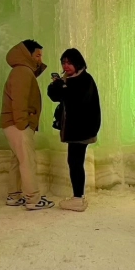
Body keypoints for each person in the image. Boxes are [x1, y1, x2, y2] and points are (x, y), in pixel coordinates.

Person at [0, 40, 54, 210]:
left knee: (18, 160)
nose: (40, 59)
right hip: (18, 124)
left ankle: (14, 195)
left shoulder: (21, 71)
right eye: (37, 55)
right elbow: (19, 100)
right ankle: (33, 199)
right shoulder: (23, 72)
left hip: (13, 123)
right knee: (27, 161)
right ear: (27, 54)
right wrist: (24, 124)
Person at [47, 48, 101, 212]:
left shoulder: (84, 79)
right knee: (75, 162)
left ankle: (78, 198)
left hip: (81, 130)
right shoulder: (70, 79)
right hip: (77, 130)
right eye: (64, 62)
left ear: (78, 63)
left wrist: (62, 86)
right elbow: (55, 96)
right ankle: (78, 197)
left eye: (69, 62)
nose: (66, 66)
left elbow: (75, 100)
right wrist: (58, 85)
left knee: (75, 162)